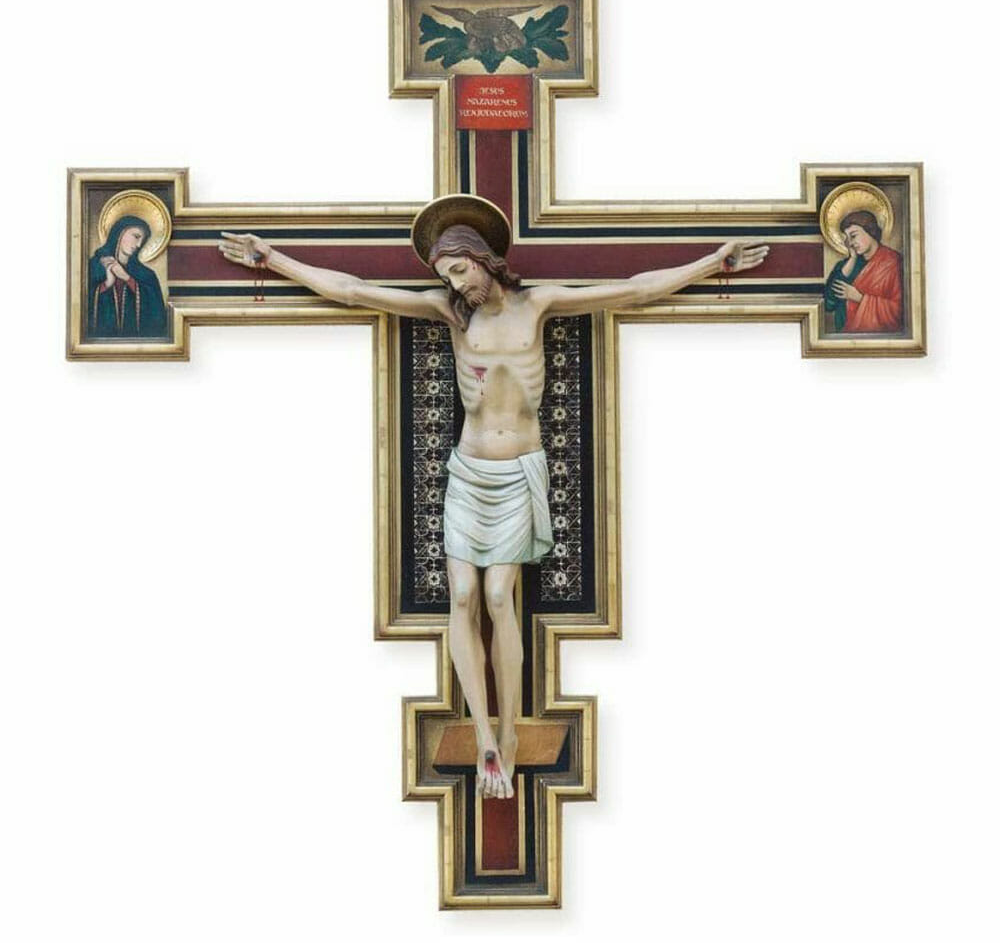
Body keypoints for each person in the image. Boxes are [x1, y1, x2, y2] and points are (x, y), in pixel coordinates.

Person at [219, 195, 769, 798]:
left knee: (500, 596)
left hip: (518, 473)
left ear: (481, 259)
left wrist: (712, 263)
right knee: (462, 594)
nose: (455, 284)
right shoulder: (452, 314)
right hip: (470, 472)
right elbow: (353, 290)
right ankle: (484, 738)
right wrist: (273, 259)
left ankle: (509, 732)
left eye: (459, 270)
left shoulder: (539, 304)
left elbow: (634, 290)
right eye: (445, 277)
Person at [88, 215, 168, 338]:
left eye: (142, 240)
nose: (139, 245)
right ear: (120, 233)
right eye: (136, 237)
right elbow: (81, 305)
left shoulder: (147, 275)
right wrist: (107, 284)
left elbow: (157, 315)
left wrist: (127, 278)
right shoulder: (94, 266)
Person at [824, 210, 903, 333]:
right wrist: (852, 259)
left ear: (870, 231)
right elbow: (829, 304)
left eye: (853, 236)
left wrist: (860, 298)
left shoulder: (893, 263)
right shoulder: (845, 265)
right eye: (847, 238)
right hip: (844, 338)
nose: (850, 243)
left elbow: (900, 312)